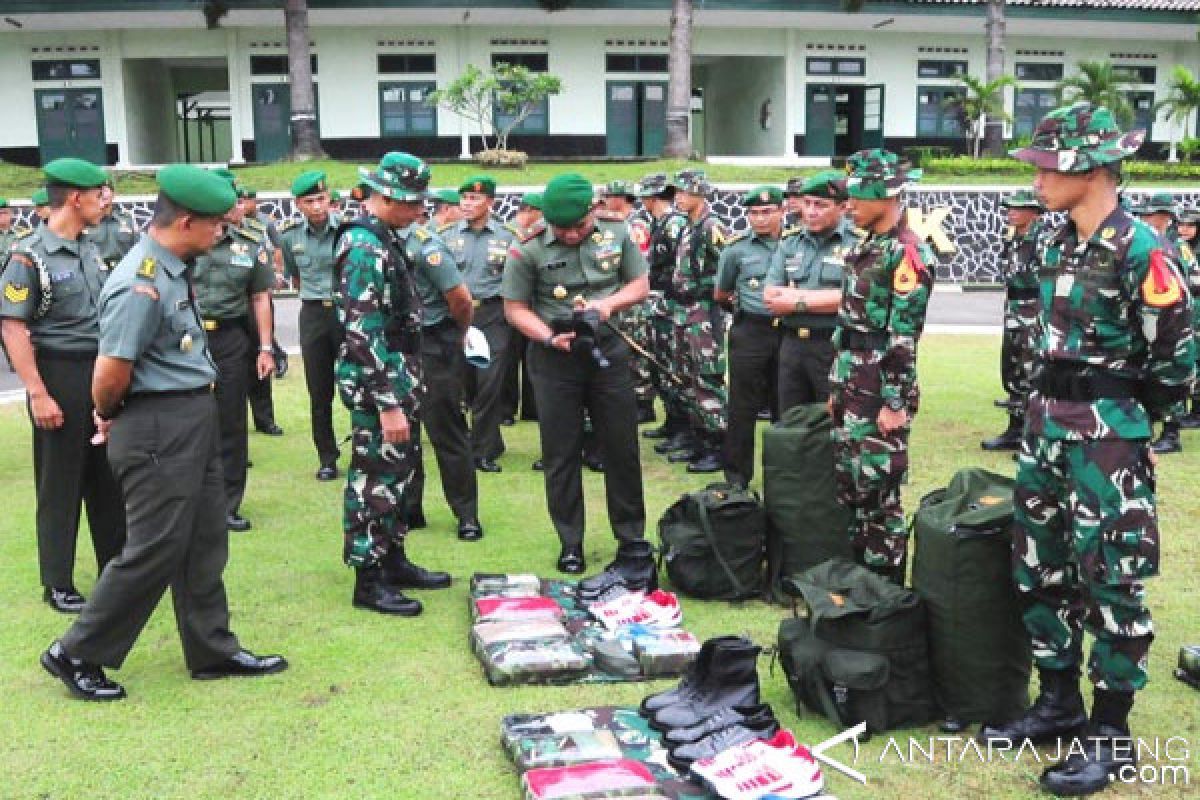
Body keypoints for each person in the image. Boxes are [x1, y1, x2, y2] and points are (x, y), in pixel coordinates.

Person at [979, 103, 1195, 798]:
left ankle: (1110, 733)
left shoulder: (1142, 250)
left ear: (1092, 169)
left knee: (1113, 580)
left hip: (1107, 440)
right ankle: (1058, 704)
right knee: (1039, 569)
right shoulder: (1054, 242)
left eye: (1050, 167)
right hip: (1045, 428)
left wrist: (1141, 428)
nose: (1038, 179)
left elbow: (1177, 360)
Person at [40, 163, 288, 701]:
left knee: (204, 539)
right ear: (185, 222)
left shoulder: (173, 268)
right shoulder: (142, 282)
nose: (221, 231)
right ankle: (76, 651)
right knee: (153, 547)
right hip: (157, 425)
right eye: (215, 223)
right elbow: (110, 371)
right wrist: (109, 413)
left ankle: (212, 648)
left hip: (189, 416)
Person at [502, 173, 650, 574]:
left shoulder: (617, 233)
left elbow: (639, 284)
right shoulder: (527, 247)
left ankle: (631, 538)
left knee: (621, 448)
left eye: (578, 226)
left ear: (594, 210)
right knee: (560, 451)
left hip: (608, 350)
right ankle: (570, 542)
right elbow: (514, 309)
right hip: (554, 357)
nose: (570, 234)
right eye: (561, 228)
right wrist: (549, 337)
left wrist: (608, 305)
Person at [0, 158, 127, 613]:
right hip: (59, 373)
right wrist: (37, 392)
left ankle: (115, 570)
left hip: (97, 372)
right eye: (97, 194)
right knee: (61, 482)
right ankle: (57, 582)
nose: (104, 201)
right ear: (75, 198)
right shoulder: (29, 255)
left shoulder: (89, 248)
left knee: (108, 477)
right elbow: (13, 327)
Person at [335, 152, 452, 616]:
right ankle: (368, 580)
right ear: (386, 198)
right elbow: (361, 332)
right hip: (377, 386)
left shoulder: (385, 237)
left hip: (399, 377)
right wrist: (387, 404)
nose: (421, 210)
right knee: (374, 479)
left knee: (400, 473)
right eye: (413, 202)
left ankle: (392, 559)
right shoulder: (363, 247)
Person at [831, 149, 934, 583]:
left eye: (859, 195)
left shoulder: (906, 252)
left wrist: (894, 402)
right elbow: (848, 322)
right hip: (852, 379)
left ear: (887, 195)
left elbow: (903, 337)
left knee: (879, 492)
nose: (849, 204)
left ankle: (885, 589)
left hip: (878, 387)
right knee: (852, 485)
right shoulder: (867, 246)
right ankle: (859, 582)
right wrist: (836, 385)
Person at [192, 174, 276, 532]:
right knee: (190, 420)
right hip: (189, 337)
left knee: (231, 421)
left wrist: (266, 348)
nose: (235, 206)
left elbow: (260, 298)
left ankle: (227, 504)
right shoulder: (189, 237)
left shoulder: (251, 243)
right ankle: (192, 500)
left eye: (237, 199)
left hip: (230, 337)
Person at [406, 209, 481, 541]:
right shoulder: (379, 242)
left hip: (433, 343)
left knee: (447, 430)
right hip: (397, 344)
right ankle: (410, 509)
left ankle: (466, 514)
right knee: (403, 432)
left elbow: (461, 299)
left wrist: (458, 334)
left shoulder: (426, 246)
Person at [444, 175, 519, 473]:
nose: (467, 203)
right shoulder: (446, 236)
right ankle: (489, 439)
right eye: (464, 198)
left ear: (490, 202)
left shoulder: (508, 236)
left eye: (474, 198)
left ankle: (482, 451)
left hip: (493, 314)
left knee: (489, 382)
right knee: (466, 383)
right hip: (458, 315)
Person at [764, 171, 856, 413]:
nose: (811, 211)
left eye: (821, 205)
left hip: (834, 345)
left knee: (835, 418)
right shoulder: (790, 242)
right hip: (792, 346)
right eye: (807, 203)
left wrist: (797, 301)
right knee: (791, 421)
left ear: (843, 207)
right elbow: (771, 295)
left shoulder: (857, 243)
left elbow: (854, 297)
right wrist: (827, 298)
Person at [715, 186, 784, 487]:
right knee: (742, 406)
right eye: (753, 213)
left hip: (788, 332)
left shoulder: (796, 244)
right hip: (750, 331)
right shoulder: (736, 249)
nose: (760, 219)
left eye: (767, 212)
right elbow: (721, 293)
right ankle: (736, 477)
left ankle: (783, 476)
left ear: (782, 211)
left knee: (785, 405)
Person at [278, 170, 343, 480]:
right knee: (319, 391)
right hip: (314, 314)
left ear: (329, 199)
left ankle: (366, 452)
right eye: (309, 201)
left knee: (361, 385)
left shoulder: (348, 231)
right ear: (298, 205)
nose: (317, 206)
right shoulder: (290, 236)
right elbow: (294, 275)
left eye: (321, 199)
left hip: (347, 311)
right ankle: (327, 458)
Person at [668, 169, 729, 473]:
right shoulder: (688, 226)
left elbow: (726, 265)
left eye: (684, 192)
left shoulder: (711, 226)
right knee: (687, 376)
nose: (678, 198)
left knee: (707, 376)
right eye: (677, 192)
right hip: (685, 309)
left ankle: (718, 444)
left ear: (699, 193)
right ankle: (699, 438)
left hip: (705, 310)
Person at [980, 190, 1046, 451]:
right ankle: (1015, 430)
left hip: (1033, 313)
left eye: (1017, 208)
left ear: (1034, 212)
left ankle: (1033, 435)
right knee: (1012, 370)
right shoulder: (1014, 240)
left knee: (1032, 373)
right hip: (1014, 311)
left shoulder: (1042, 241)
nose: (1011, 213)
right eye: (1009, 208)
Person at [1133, 193, 1198, 455]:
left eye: (1150, 215)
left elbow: (1193, 280)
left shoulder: (1175, 245)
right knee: (1147, 372)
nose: (1145, 219)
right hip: (1148, 317)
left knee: (1172, 373)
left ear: (1164, 217)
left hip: (1173, 318)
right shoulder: (1146, 242)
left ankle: (1171, 433)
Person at [634, 174, 690, 449]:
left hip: (673, 303)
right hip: (659, 302)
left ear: (652, 197)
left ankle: (684, 426)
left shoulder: (674, 224)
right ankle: (672, 421)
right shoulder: (659, 223)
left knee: (674, 366)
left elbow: (680, 265)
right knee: (660, 365)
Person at [85, 181, 138, 270]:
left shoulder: (127, 219)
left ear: (113, 194)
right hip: (96, 272)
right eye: (99, 191)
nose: (102, 194)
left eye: (105, 190)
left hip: (123, 272)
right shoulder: (85, 221)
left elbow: (137, 249)